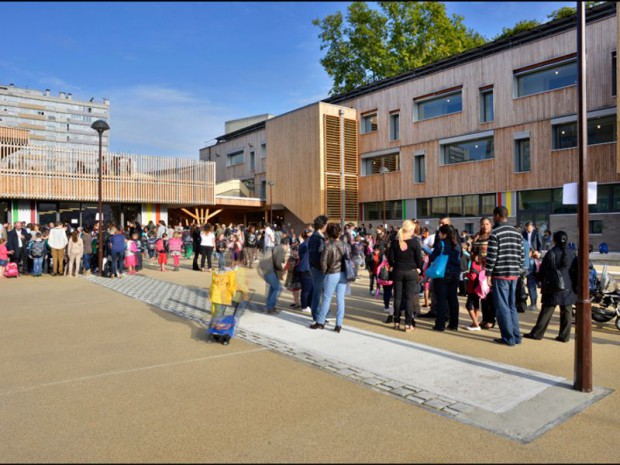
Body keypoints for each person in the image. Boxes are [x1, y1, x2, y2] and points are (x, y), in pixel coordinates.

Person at [524, 231, 577, 343]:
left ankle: (537, 333)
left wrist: (536, 275)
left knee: (546, 311)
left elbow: (543, 271)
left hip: (553, 285)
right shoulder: (572, 253)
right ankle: (564, 336)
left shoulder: (551, 253)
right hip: (568, 285)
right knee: (567, 311)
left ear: (554, 240)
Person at [485, 206, 525, 346]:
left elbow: (492, 256)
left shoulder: (495, 233)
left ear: (497, 216)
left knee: (502, 307)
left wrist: (488, 274)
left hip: (500, 274)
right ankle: (516, 336)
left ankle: (508, 338)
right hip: (514, 274)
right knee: (511, 306)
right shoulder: (517, 232)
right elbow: (522, 254)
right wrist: (519, 270)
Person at [310, 223, 350, 333]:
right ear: (339, 232)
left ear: (328, 232)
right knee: (340, 299)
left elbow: (323, 262)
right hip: (343, 274)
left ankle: (320, 322)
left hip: (332, 273)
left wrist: (325, 272)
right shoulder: (345, 245)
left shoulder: (328, 245)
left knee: (327, 298)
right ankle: (338, 324)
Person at [387, 220, 424, 333]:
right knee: (409, 298)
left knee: (397, 298)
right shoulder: (415, 242)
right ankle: (408, 324)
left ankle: (396, 321)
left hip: (398, 271)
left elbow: (390, 258)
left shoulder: (395, 242)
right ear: (411, 230)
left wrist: (394, 265)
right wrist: (419, 269)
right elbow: (419, 259)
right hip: (411, 271)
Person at [429, 224, 461, 332]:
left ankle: (440, 324)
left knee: (441, 300)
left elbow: (432, 257)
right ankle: (454, 324)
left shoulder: (440, 244)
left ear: (444, 234)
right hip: (455, 274)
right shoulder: (457, 244)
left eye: (440, 232)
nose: (439, 234)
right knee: (453, 299)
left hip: (442, 274)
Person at [472, 217, 495, 329]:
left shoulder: (493, 236)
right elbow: (473, 252)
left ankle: (491, 320)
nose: (485, 226)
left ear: (490, 225)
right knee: (483, 296)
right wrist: (475, 253)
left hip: (492, 270)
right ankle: (485, 318)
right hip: (481, 271)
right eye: (483, 224)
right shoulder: (478, 237)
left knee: (491, 296)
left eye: (487, 224)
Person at [307, 215, 329, 324]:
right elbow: (318, 255)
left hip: (315, 268)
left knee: (320, 292)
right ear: (323, 225)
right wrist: (323, 268)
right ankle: (316, 315)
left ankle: (320, 314)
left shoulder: (316, 236)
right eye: (326, 224)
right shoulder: (317, 237)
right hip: (318, 269)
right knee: (317, 293)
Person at [257, 238, 287, 314]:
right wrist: (282, 269)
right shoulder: (281, 248)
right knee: (277, 287)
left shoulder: (276, 247)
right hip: (268, 269)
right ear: (287, 244)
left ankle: (269, 305)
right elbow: (278, 262)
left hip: (264, 268)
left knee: (273, 287)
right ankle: (270, 307)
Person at [296, 229, 313, 314]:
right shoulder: (304, 244)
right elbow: (306, 246)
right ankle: (304, 306)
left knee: (310, 290)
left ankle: (308, 305)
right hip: (305, 269)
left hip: (307, 269)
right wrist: (310, 237)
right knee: (306, 290)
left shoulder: (304, 244)